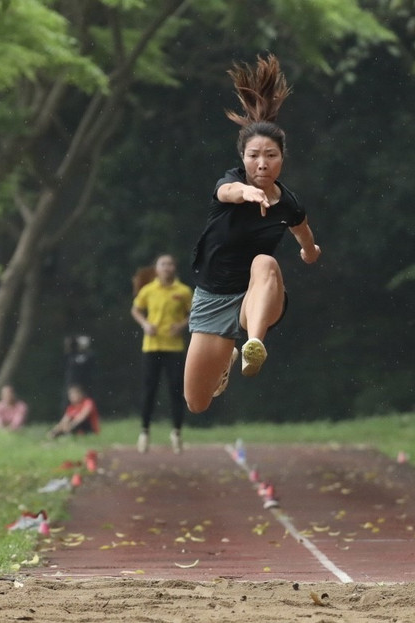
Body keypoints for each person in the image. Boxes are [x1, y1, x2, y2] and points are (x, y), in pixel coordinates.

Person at [183, 53, 321, 414]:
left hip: (256, 299)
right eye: (254, 156)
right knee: (196, 403)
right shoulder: (230, 184)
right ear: (243, 158)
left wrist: (310, 251)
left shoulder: (288, 203)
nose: (262, 163)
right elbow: (228, 193)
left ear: (282, 158)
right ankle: (231, 355)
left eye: (271, 156)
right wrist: (248, 192)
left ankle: (253, 346)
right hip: (213, 295)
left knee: (264, 261)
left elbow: (303, 232)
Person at [131, 254, 193, 454]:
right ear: (156, 269)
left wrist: (182, 325)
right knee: (149, 390)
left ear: (175, 268)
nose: (167, 267)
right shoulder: (148, 290)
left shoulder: (183, 291)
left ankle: (176, 432)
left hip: (174, 347)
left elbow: (193, 313)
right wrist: (145, 324)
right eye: (163, 264)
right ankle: (144, 432)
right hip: (152, 346)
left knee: (176, 390)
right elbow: (136, 309)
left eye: (170, 264)